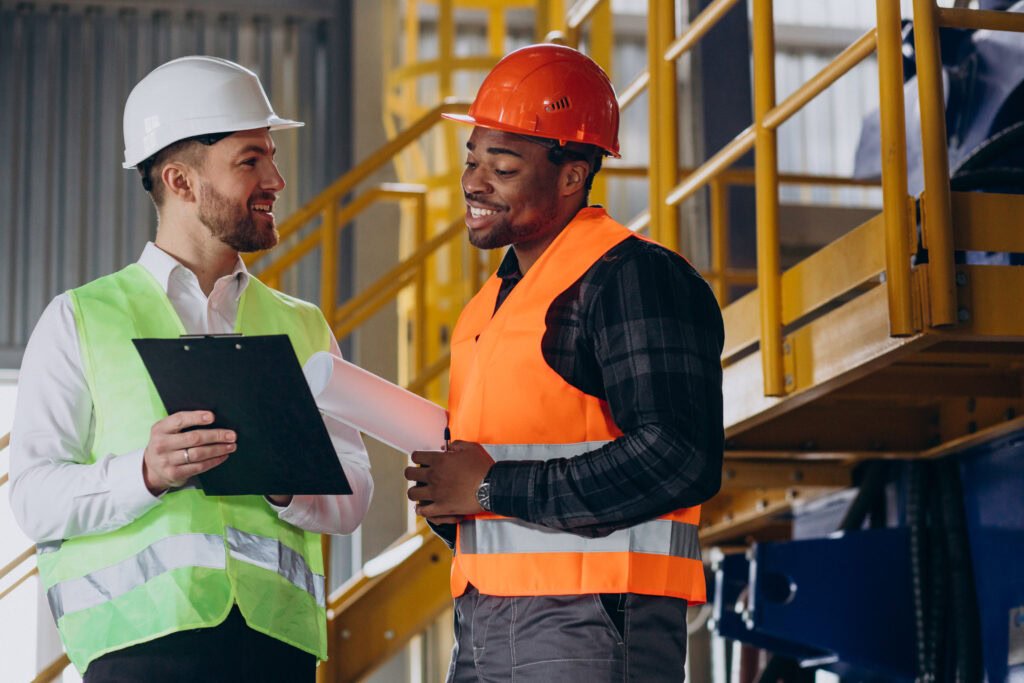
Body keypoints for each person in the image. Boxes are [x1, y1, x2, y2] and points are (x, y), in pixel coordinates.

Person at [9, 56, 373, 681]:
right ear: (180, 181)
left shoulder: (303, 323)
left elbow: (356, 493)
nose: (277, 180)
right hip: (140, 650)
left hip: (275, 648)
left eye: (272, 156)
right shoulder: (81, 319)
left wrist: (285, 478)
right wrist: (144, 473)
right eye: (250, 160)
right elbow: (33, 498)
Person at [403, 44, 724, 681]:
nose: (473, 182)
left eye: (502, 166)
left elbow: (679, 454)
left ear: (573, 174)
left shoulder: (632, 277)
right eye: (472, 161)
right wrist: (452, 502)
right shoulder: (487, 309)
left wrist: (491, 486)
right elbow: (509, 482)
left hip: (597, 618)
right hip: (483, 619)